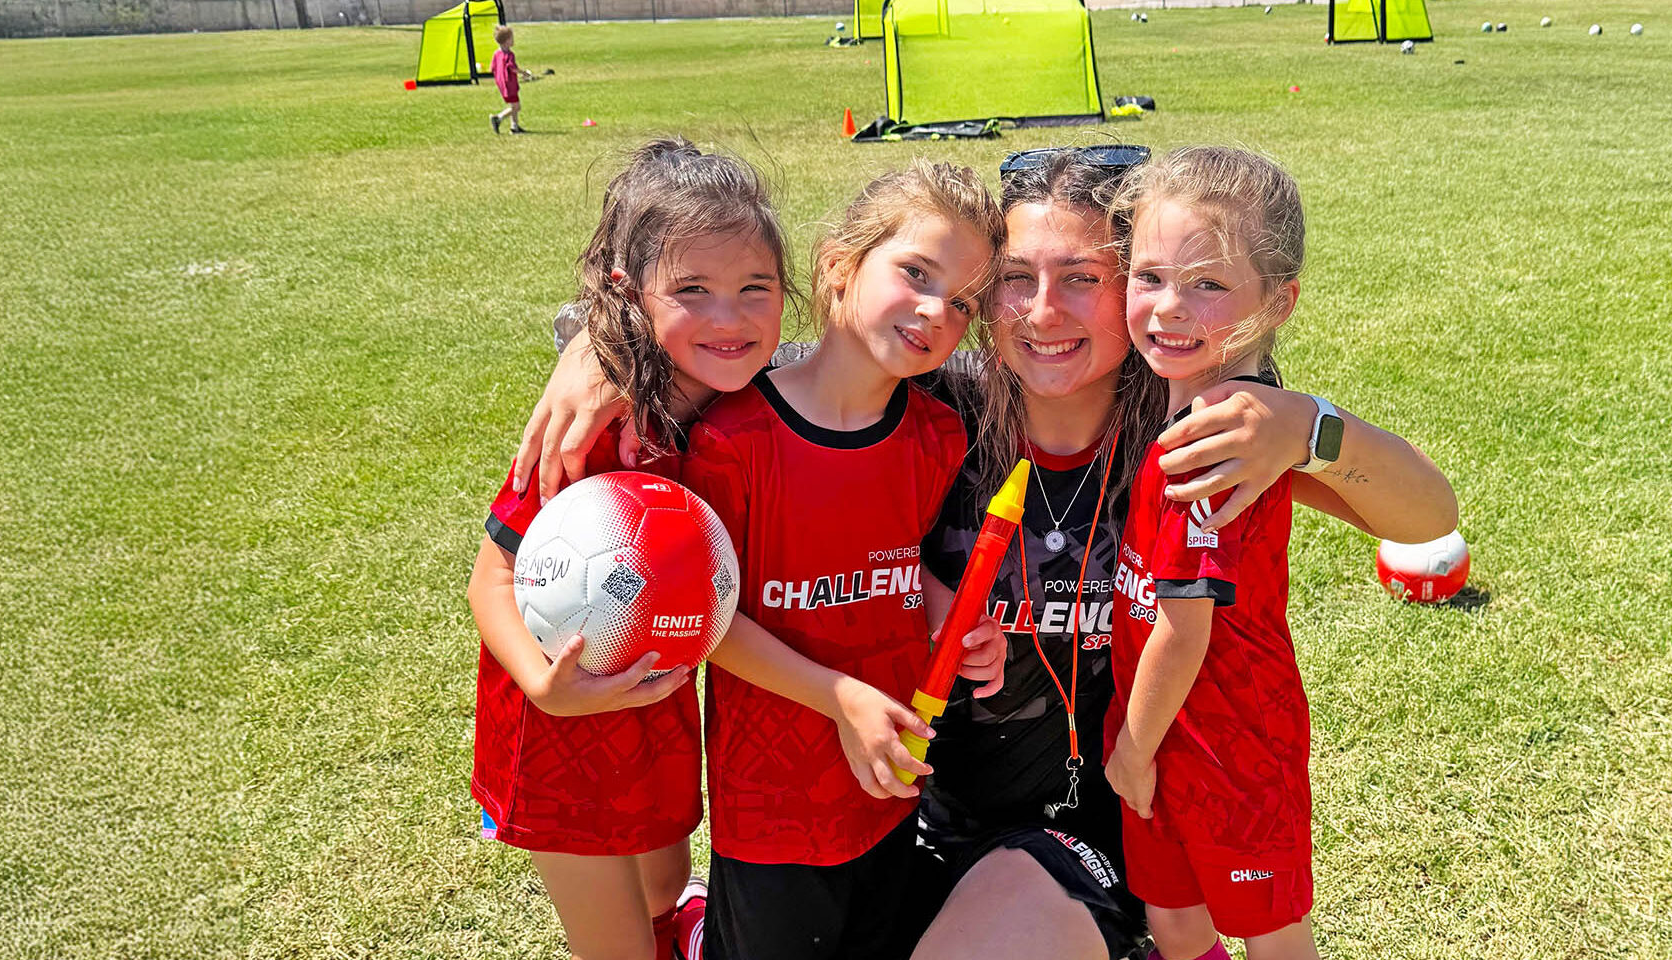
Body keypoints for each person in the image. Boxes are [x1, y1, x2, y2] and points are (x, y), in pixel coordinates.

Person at [512, 145, 1457, 960]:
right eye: (1013, 279)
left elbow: (1424, 521)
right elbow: (758, 349)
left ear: (1131, 285)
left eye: (1084, 278)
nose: (1042, 312)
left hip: (1079, 837)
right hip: (896, 830)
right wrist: (598, 348)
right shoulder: (938, 402)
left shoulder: (1192, 425)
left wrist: (1310, 426)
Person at [1102, 145, 1443, 960]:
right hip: (1162, 729)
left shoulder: (1217, 442)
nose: (1168, 308)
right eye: (1148, 277)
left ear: (1278, 301)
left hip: (1231, 748)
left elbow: (1184, 631)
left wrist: (1132, 748)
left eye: (1209, 284)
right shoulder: (1200, 420)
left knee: (1275, 938)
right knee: (1176, 923)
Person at [466, 137, 791, 960]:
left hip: (660, 714)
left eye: (756, 287)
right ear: (630, 293)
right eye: (692, 291)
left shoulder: (748, 401)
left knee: (663, 883)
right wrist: (546, 687)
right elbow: (492, 573)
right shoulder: (592, 435)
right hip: (559, 740)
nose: (730, 317)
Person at [680, 159, 1008, 960]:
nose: (936, 310)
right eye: (916, 272)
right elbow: (706, 622)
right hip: (773, 810)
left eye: (963, 301)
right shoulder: (732, 439)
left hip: (889, 788)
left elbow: (900, 575)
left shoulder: (937, 436)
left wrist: (955, 628)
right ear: (837, 265)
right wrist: (837, 698)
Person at [489, 25, 531, 134]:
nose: (513, 40)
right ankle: (498, 118)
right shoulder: (509, 55)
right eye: (511, 38)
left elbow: (492, 68)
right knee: (516, 107)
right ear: (506, 41)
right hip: (510, 84)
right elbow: (513, 68)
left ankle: (514, 127)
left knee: (513, 104)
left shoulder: (496, 54)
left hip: (502, 84)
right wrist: (524, 73)